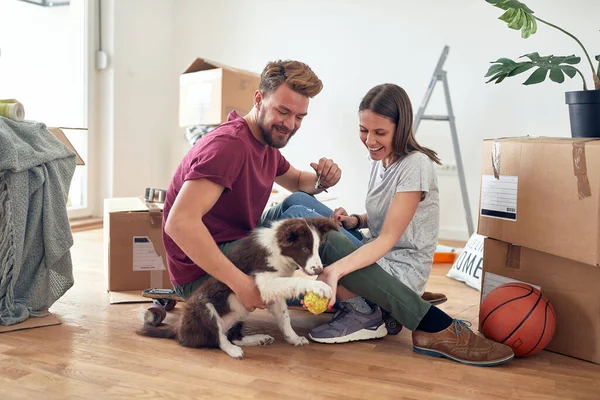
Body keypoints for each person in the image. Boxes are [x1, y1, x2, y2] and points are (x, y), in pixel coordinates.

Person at [162, 59, 515, 367]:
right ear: (259, 99)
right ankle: (430, 325)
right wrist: (244, 284)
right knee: (310, 230)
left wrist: (322, 177)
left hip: (237, 249)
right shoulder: (228, 147)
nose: (290, 124)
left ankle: (377, 292)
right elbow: (180, 223)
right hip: (203, 279)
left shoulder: (263, 141)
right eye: (283, 112)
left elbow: (299, 181)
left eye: (300, 116)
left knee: (294, 207)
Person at [266, 83, 447, 343]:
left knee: (317, 234)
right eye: (364, 130)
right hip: (375, 250)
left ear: (401, 128)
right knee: (297, 200)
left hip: (399, 271)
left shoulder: (416, 165)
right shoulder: (382, 160)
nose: (370, 141)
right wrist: (356, 220)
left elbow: (387, 239)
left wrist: (333, 271)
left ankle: (363, 312)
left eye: (380, 133)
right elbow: (388, 214)